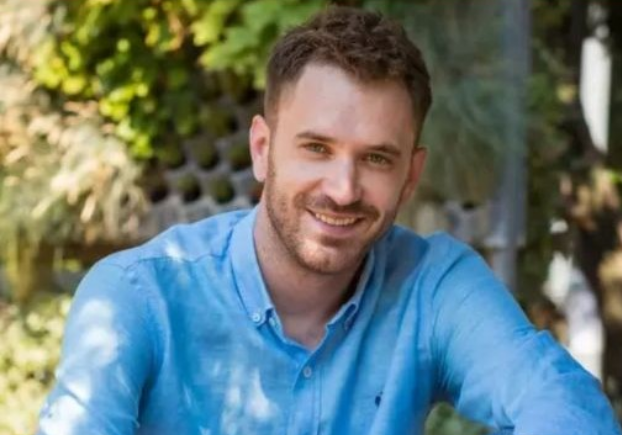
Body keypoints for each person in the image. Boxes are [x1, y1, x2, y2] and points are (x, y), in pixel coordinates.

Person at [37, 6, 621, 435]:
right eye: (316, 148)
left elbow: (564, 404)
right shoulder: (137, 296)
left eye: (376, 158)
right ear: (262, 149)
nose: (343, 190)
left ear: (410, 175)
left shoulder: (434, 287)